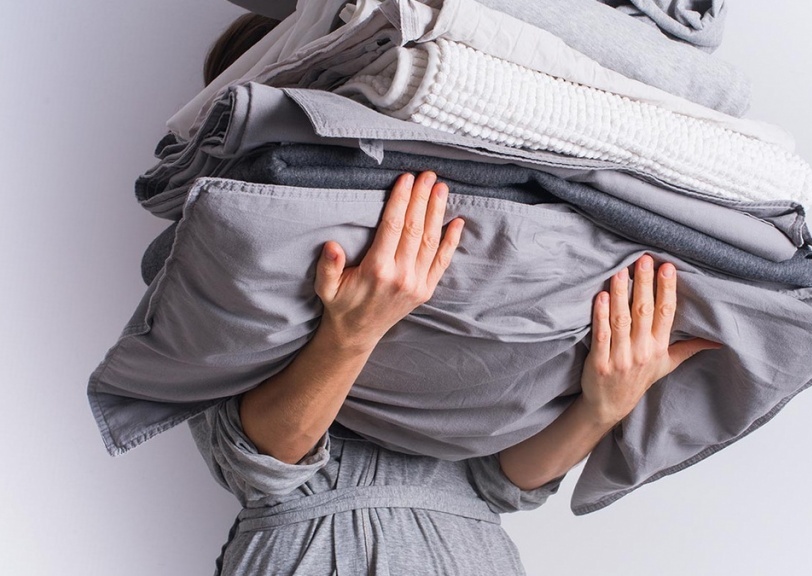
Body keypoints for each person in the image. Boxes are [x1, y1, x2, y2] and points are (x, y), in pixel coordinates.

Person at [187, 14, 719, 575]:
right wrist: (353, 332)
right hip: (317, 551)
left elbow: (497, 483)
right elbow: (261, 464)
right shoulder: (233, 242)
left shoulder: (495, 235)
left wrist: (602, 406)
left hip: (474, 554)